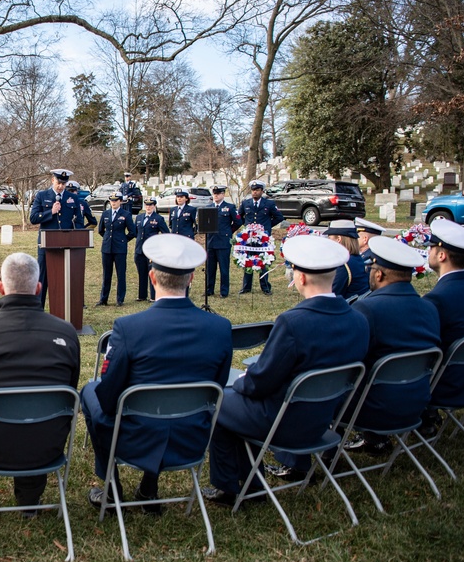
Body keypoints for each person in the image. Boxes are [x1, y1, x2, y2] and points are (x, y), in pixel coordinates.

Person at [204, 235, 369, 504]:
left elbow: (260, 383)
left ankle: (232, 486)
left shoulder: (293, 322)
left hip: (282, 420)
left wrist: (242, 382)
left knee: (218, 401)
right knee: (233, 404)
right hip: (323, 420)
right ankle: (251, 483)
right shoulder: (359, 320)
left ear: (300, 278)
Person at [82, 235, 232, 514]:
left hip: (135, 438)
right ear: (190, 280)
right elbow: (218, 388)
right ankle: (148, 486)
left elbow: (108, 396)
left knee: (90, 392)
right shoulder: (221, 328)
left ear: (151, 277)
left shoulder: (129, 327)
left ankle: (112, 490)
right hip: (193, 436)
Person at [0, 253, 80, 516]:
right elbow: (69, 389)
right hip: (46, 442)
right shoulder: (66, 332)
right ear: (38, 289)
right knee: (42, 408)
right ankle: (30, 500)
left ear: (1, 287)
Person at [342, 236, 442, 456]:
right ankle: (373, 440)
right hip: (418, 402)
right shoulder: (429, 307)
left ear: (378, 274)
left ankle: (326, 455)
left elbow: (348, 361)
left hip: (373, 409)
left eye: (371, 270)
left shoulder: (367, 309)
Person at [419, 218, 464, 433]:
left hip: (441, 385)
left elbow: (424, 351)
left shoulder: (438, 299)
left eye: (432, 247)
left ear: (441, 255)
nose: (429, 252)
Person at [30, 168, 82, 308]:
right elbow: (33, 218)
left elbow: (79, 222)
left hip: (65, 245)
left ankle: (62, 310)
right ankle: (37, 310)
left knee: (63, 280)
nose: (60, 186)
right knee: (42, 279)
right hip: (46, 245)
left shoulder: (73, 198)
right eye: (58, 182)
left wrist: (76, 237)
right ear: (52, 180)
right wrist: (50, 212)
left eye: (63, 184)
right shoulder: (42, 196)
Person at [238, 180, 285, 295]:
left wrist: (267, 227)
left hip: (263, 239)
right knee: (247, 260)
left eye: (257, 190)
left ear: (262, 191)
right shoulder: (246, 203)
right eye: (253, 190)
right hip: (249, 238)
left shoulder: (269, 204)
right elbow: (239, 216)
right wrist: (247, 226)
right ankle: (246, 287)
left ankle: (265, 287)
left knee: (263, 262)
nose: (255, 192)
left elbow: (279, 217)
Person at [97, 192, 137, 307]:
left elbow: (132, 232)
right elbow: (101, 230)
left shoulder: (126, 214)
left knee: (121, 274)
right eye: (112, 200)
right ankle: (103, 299)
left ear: (120, 201)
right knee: (106, 275)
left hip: (120, 249)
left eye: (116, 200)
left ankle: (120, 299)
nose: (113, 202)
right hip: (107, 248)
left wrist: (123, 240)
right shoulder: (105, 214)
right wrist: (107, 239)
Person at [205, 186, 240, 298]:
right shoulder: (209, 207)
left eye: (218, 193)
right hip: (211, 241)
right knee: (210, 268)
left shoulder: (229, 207)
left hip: (223, 242)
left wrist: (229, 231)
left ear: (223, 194)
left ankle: (224, 291)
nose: (216, 195)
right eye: (214, 193)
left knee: (224, 269)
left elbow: (238, 221)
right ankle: (209, 289)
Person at [133, 197, 170, 301]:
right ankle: (142, 296)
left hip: (152, 251)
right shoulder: (139, 217)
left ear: (154, 206)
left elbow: (166, 234)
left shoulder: (158, 218)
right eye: (147, 205)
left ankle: (154, 296)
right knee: (141, 273)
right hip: (139, 249)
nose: (148, 207)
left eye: (151, 205)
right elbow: (136, 232)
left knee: (152, 273)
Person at [323, 220, 370, 299]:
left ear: (338, 239)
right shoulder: (357, 259)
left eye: (330, 238)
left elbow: (331, 295)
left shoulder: (344, 265)